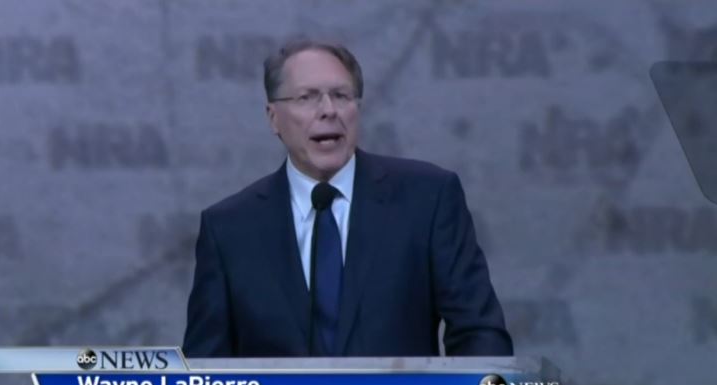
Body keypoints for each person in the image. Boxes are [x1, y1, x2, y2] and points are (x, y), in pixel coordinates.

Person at [182, 39, 512, 357]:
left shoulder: (428, 199)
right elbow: (202, 370)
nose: (329, 110)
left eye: (341, 96)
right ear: (274, 118)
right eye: (307, 97)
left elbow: (480, 335)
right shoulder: (229, 229)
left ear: (358, 108)